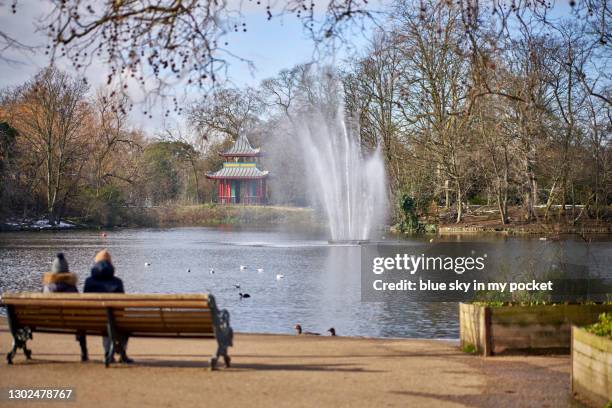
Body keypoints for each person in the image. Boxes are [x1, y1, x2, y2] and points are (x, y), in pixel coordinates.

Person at [84, 249, 133, 364]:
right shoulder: (117, 282)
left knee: (106, 325)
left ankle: (107, 352)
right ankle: (122, 352)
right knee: (118, 324)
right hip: (116, 320)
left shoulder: (88, 282)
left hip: (91, 320)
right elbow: (122, 307)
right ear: (111, 264)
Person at [42, 253, 89, 362]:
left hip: (46, 321)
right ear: (67, 270)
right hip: (71, 322)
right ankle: (84, 352)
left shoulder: (46, 288)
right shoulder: (72, 288)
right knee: (81, 322)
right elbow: (79, 308)